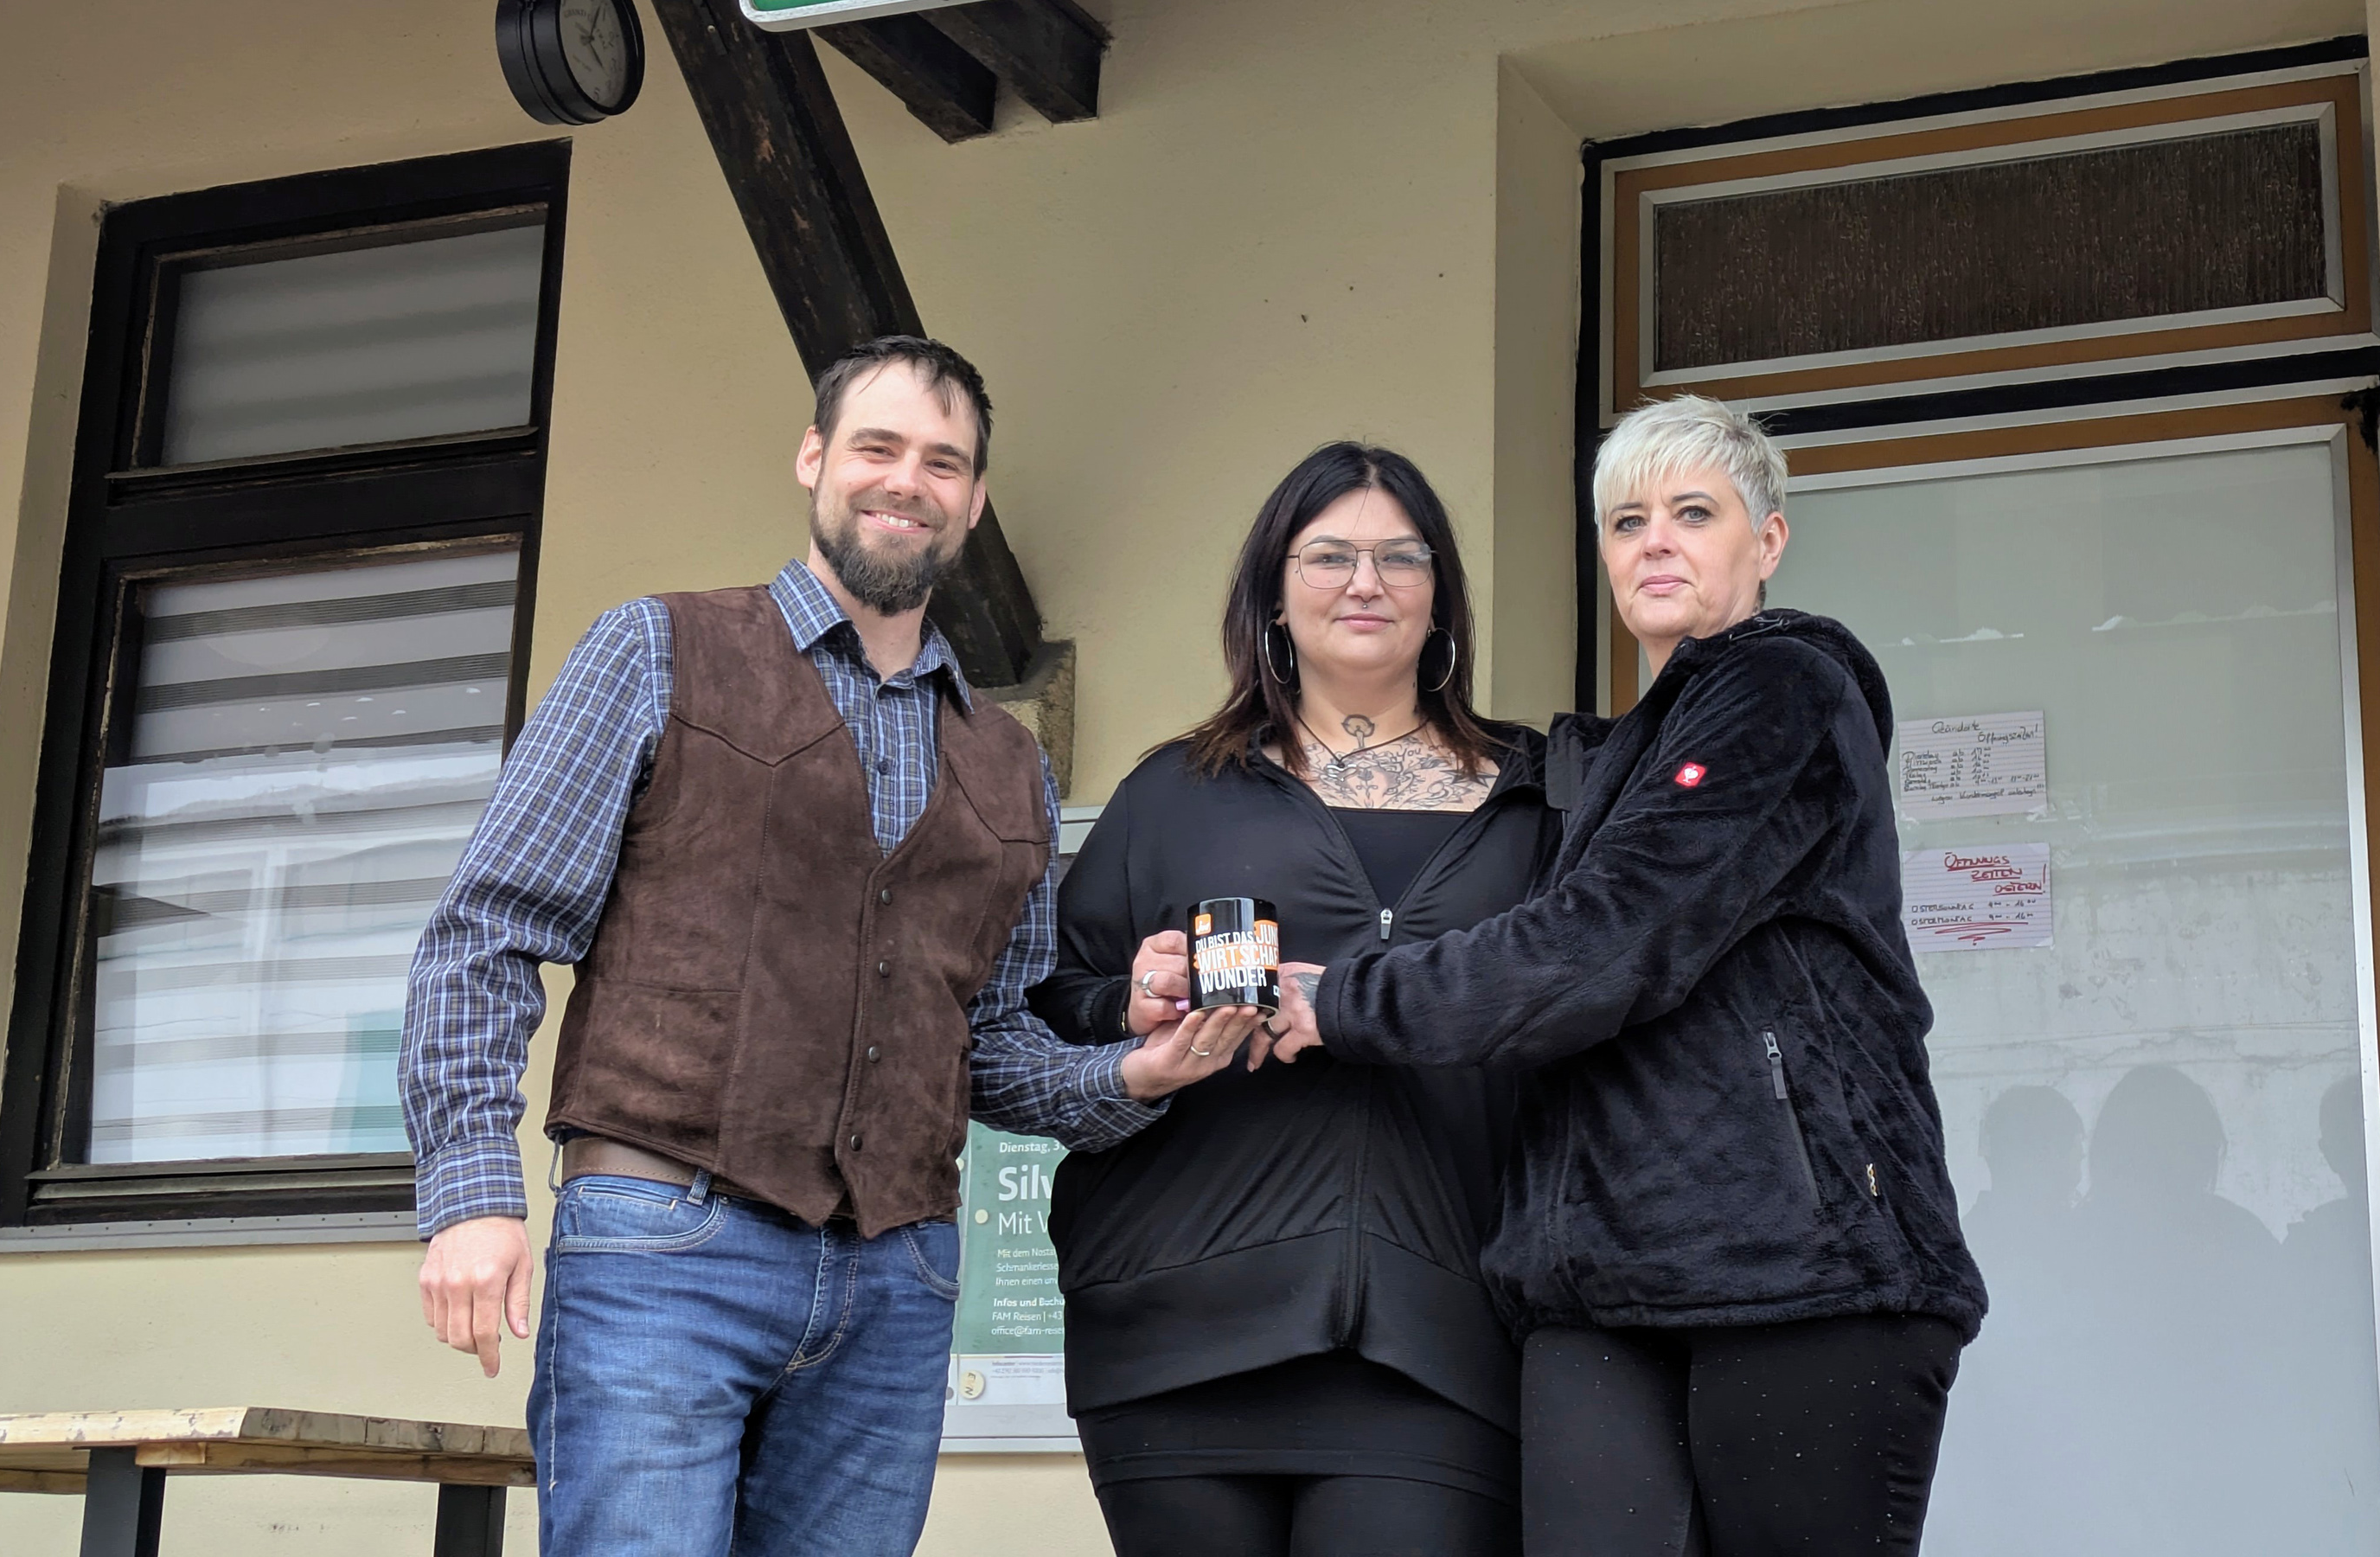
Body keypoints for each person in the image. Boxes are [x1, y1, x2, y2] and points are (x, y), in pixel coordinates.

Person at [398, 334, 1253, 1557]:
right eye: (877, 447)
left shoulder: (1009, 761)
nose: (907, 482)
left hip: (896, 1282)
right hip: (663, 1246)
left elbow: (988, 1043)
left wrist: (1134, 1074)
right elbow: (487, 931)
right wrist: (472, 1193)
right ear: (813, 457)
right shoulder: (656, 649)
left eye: (943, 463)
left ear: (974, 501)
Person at [1263, 395, 1988, 1554]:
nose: (1656, 543)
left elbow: (1602, 945)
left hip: (1800, 1271)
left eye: (1694, 514)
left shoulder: (1782, 688)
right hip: (1595, 1280)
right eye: (1627, 521)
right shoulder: (1612, 761)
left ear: (1768, 540)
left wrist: (1340, 999)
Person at [1026, 443, 1552, 1557]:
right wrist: (1134, 1002)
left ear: (1442, 594)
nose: (1366, 582)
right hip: (1177, 1322)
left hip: (1445, 1331)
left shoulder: (1538, 795)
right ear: (1273, 592)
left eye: (1400, 557)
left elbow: (1588, 999)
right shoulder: (1177, 790)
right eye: (1328, 556)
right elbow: (1045, 1005)